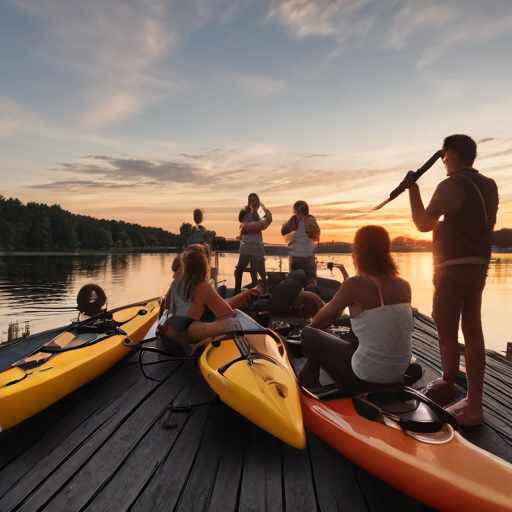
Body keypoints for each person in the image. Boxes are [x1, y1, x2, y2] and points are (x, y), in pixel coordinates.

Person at [400, 134, 499, 426]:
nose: (442, 161)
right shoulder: (489, 185)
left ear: (453, 154)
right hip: (478, 267)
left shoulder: (452, 184)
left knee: (445, 331)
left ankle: (448, 385)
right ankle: (474, 404)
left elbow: (422, 223)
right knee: (473, 330)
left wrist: (412, 189)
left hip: (452, 270)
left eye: (444, 156)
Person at [299, 225, 415, 397]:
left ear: (359, 253)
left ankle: (308, 383)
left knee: (309, 336)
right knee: (353, 338)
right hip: (397, 373)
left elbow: (319, 322)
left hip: (364, 376)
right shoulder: (405, 286)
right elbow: (385, 324)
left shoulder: (354, 285)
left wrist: (319, 327)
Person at [234, 193, 272, 294]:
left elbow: (267, 219)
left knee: (260, 271)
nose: (253, 202)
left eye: (255, 200)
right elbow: (242, 222)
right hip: (246, 246)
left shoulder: (258, 216)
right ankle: (237, 290)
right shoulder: (244, 211)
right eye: (251, 200)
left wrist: (262, 206)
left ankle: (263, 290)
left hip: (257, 247)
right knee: (240, 268)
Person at [281, 200, 321, 292]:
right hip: (309, 258)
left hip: (296, 258)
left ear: (297, 211)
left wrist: (293, 218)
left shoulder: (295, 221)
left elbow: (283, 231)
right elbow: (316, 236)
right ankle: (311, 300)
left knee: (295, 284)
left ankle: (297, 303)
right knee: (311, 281)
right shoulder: (311, 221)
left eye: (295, 211)